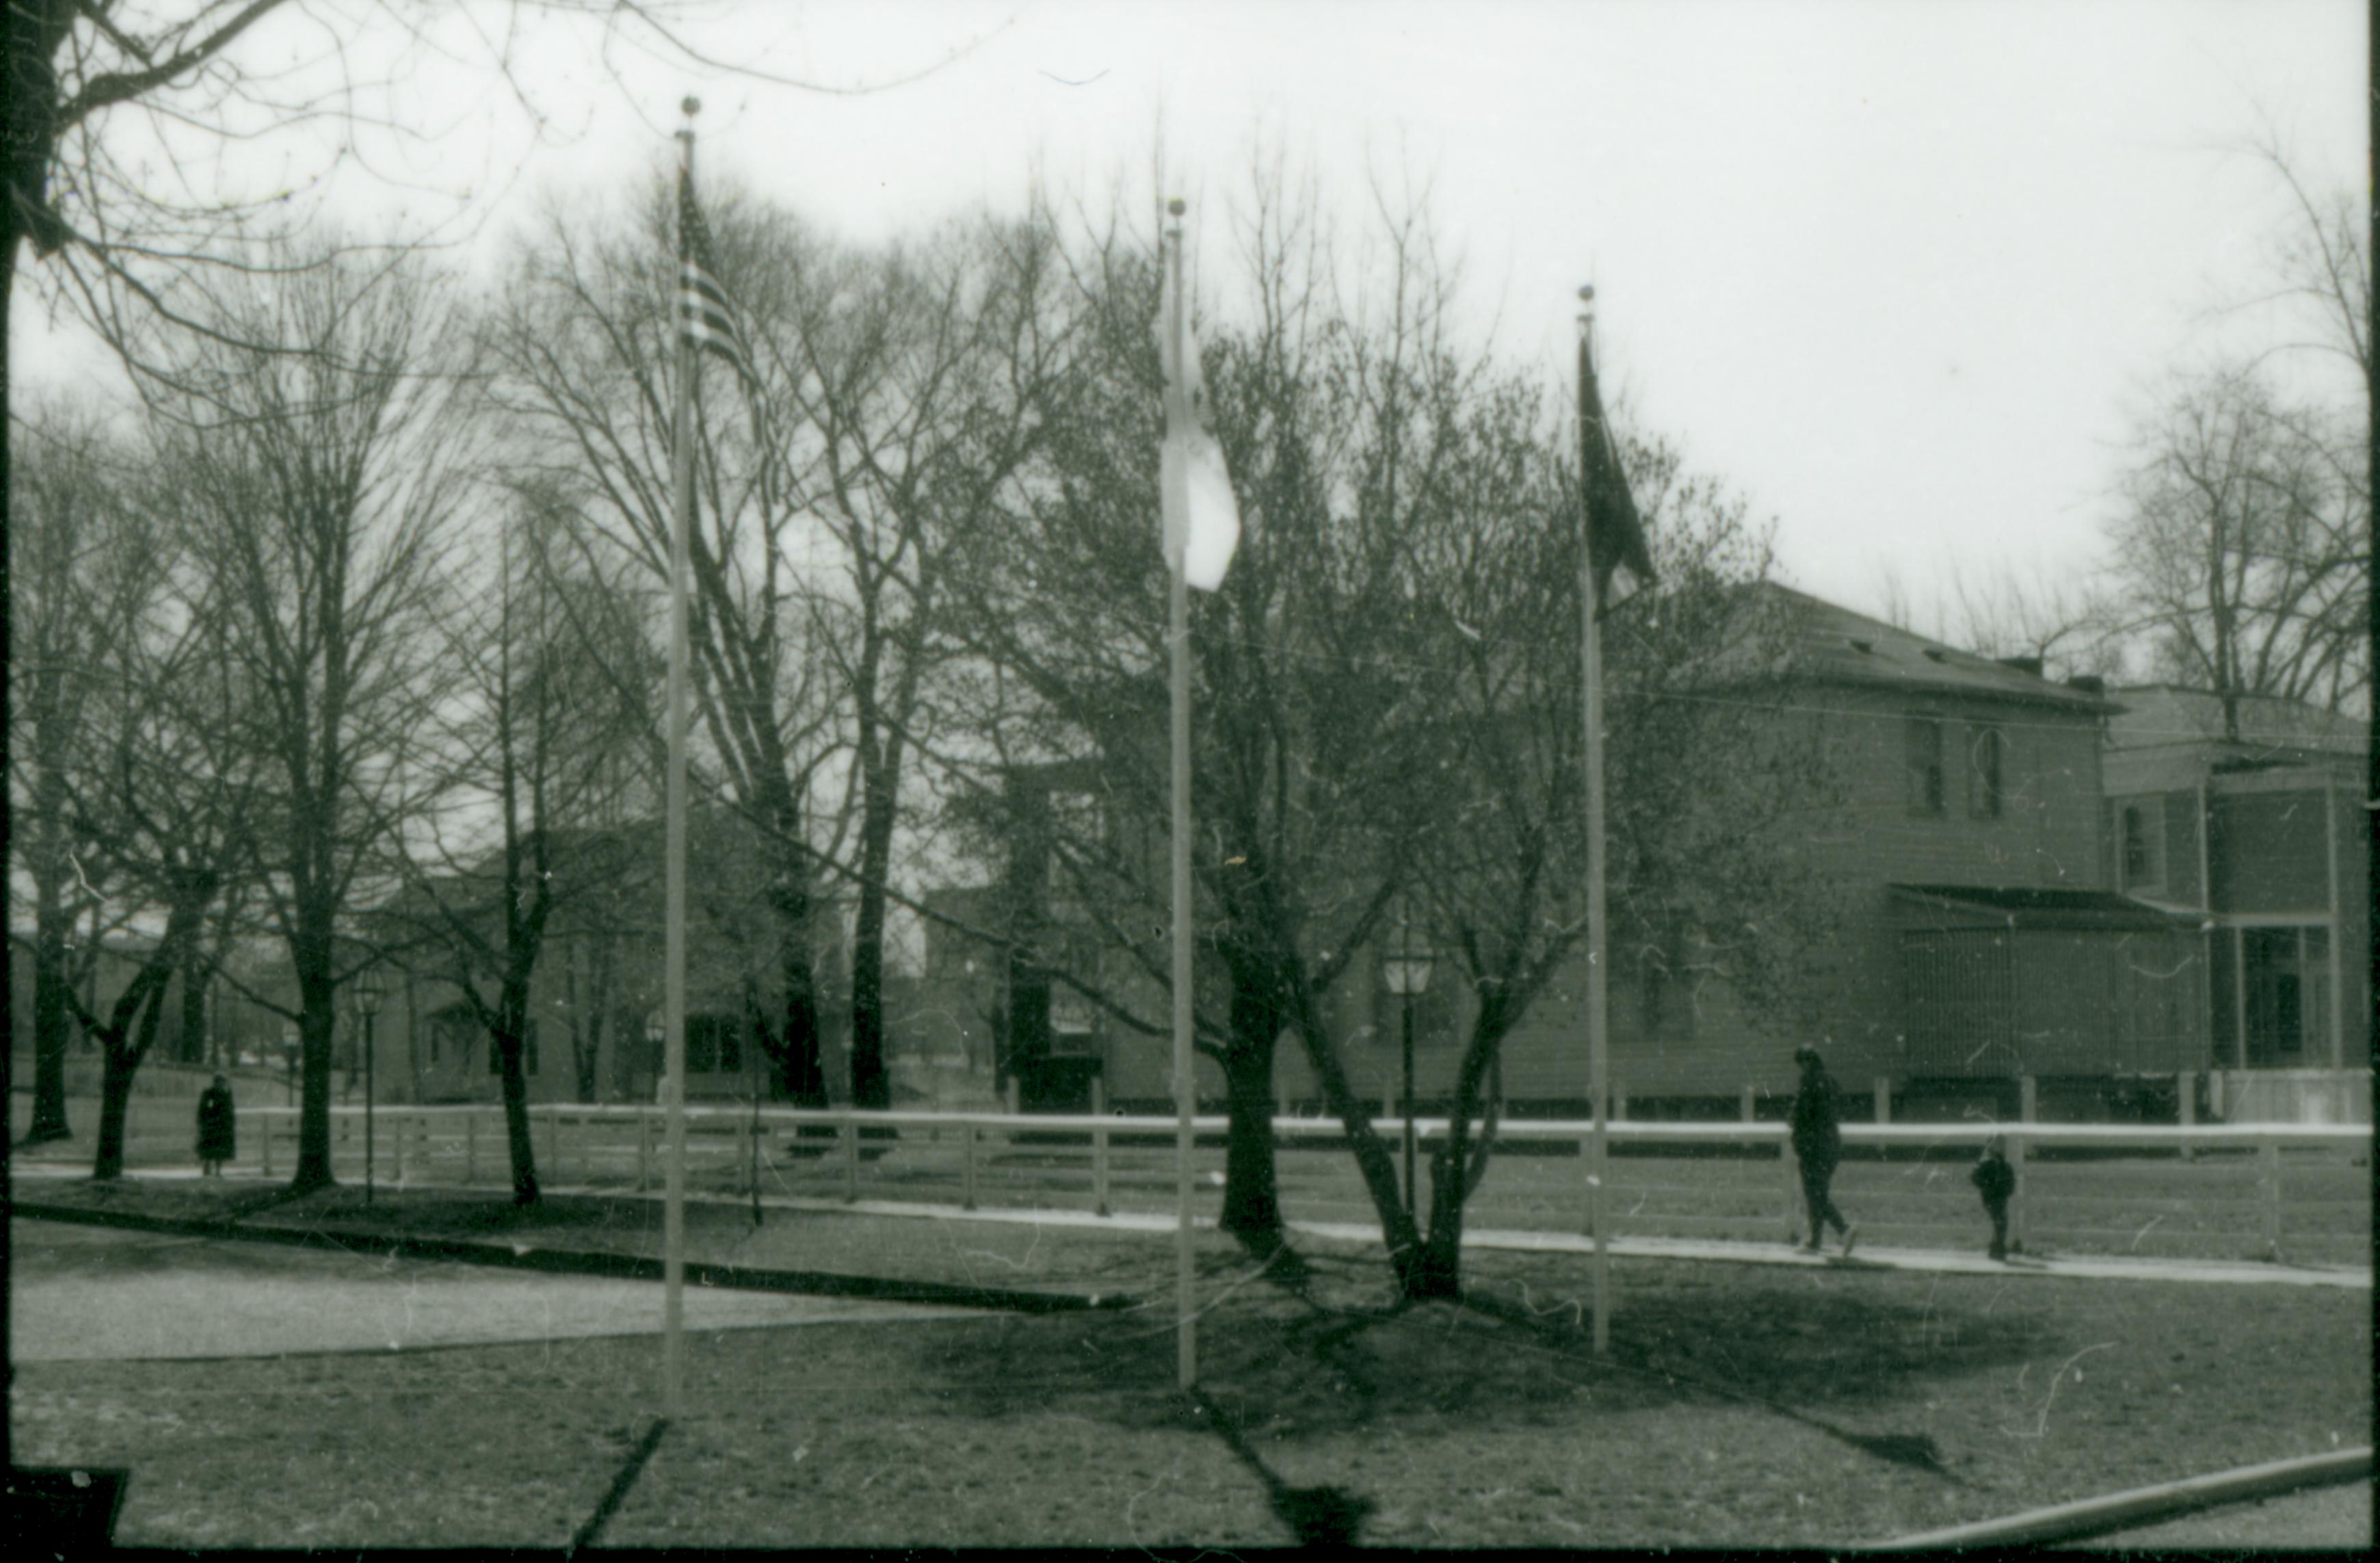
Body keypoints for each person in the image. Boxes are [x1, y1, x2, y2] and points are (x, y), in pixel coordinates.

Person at [1789, 1046, 1856, 1257]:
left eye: (1801, 1063)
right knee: (1819, 1192)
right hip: (1832, 1144)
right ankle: (1815, 1241)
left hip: (1813, 1145)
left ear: (1806, 1062)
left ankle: (1843, 1230)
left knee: (1814, 1194)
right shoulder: (1831, 1081)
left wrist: (1792, 1122)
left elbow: (1799, 1115)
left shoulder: (1809, 1083)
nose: (1801, 1068)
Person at [1972, 1134, 2016, 1261]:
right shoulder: (1989, 1162)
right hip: (1992, 1195)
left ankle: (1996, 1247)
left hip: (1997, 1194)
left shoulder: (1997, 1162)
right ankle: (1997, 1247)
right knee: (2001, 1220)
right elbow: (1976, 1177)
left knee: (2000, 1221)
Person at [195, 1073, 237, 1178]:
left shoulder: (226, 1094)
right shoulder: (208, 1093)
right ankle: (207, 1167)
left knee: (221, 1150)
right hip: (211, 1125)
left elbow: (230, 1109)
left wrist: (231, 1122)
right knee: (209, 1148)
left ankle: (218, 1170)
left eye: (223, 1082)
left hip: (223, 1126)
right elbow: (203, 1109)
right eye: (219, 1082)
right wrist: (202, 1122)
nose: (221, 1084)